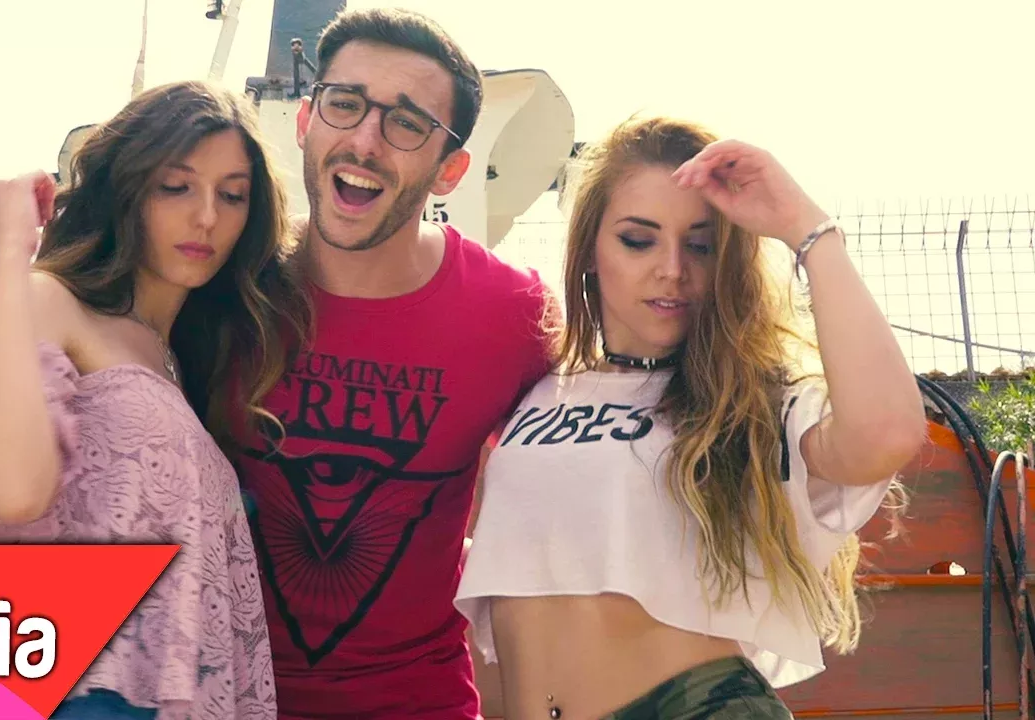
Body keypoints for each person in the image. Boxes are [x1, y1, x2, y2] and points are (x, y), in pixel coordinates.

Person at [454, 116, 925, 720]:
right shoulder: (538, 390)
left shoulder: (750, 400)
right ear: (590, 251)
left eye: (699, 246)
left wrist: (809, 230)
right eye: (638, 239)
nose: (673, 269)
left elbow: (886, 435)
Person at [0, 80, 312, 720]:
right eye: (176, 186)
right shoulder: (55, 301)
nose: (207, 217)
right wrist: (11, 250)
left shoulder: (186, 362)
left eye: (232, 195)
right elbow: (14, 494)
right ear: (128, 190)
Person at [231, 7, 556, 719]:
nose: (365, 140)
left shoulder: (514, 314)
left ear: (451, 170)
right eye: (345, 104)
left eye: (407, 123)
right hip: (221, 700)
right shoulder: (227, 290)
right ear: (305, 121)